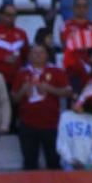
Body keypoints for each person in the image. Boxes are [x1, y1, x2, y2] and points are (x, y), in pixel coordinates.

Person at [12, 42, 69, 170]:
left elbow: (67, 92)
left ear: (47, 55)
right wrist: (23, 89)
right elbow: (15, 98)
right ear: (29, 56)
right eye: (34, 53)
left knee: (53, 161)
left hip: (51, 124)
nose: (37, 55)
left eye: (41, 52)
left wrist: (50, 89)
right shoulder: (22, 73)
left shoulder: (56, 71)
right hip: (27, 125)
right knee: (30, 162)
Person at [57, 96, 92, 170]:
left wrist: (91, 162)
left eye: (78, 101)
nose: (75, 104)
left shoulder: (91, 119)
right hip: (69, 164)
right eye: (73, 101)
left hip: (89, 165)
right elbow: (61, 142)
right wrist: (71, 160)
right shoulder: (65, 116)